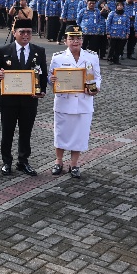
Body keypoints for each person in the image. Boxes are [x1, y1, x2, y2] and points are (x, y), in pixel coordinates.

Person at [0, 20, 48, 176]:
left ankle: (23, 161)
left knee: (26, 132)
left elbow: (43, 73)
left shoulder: (39, 51)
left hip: (29, 99)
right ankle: (6, 162)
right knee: (7, 132)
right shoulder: (4, 50)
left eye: (28, 32)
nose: (25, 35)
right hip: (8, 100)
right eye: (22, 32)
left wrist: (42, 91)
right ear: (14, 32)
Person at [47, 26, 101, 178]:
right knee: (61, 133)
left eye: (78, 38)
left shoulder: (91, 57)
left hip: (84, 102)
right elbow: (50, 78)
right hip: (64, 102)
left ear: (82, 40)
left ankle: (74, 164)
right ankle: (58, 162)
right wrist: (51, 80)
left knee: (79, 134)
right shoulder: (58, 58)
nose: (75, 41)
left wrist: (95, 89)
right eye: (71, 38)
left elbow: (97, 77)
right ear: (65, 41)